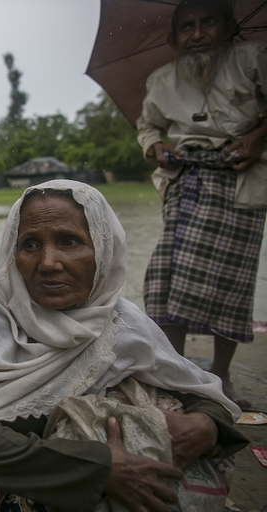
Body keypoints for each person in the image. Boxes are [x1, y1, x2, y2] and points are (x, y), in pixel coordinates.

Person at [0, 180, 248, 512]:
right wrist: (99, 468)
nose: (48, 262)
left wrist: (206, 426)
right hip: (31, 483)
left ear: (104, 250)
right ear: (13, 253)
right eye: (31, 244)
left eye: (69, 241)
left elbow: (203, 394)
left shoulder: (124, 324)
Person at [136, 0, 267, 409]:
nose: (197, 34)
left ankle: (221, 373)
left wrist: (258, 136)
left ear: (229, 27)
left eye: (208, 22)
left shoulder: (253, 58)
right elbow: (148, 125)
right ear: (174, 39)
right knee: (166, 278)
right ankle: (177, 370)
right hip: (187, 179)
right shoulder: (161, 80)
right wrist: (157, 146)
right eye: (186, 27)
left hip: (239, 176)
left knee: (231, 282)